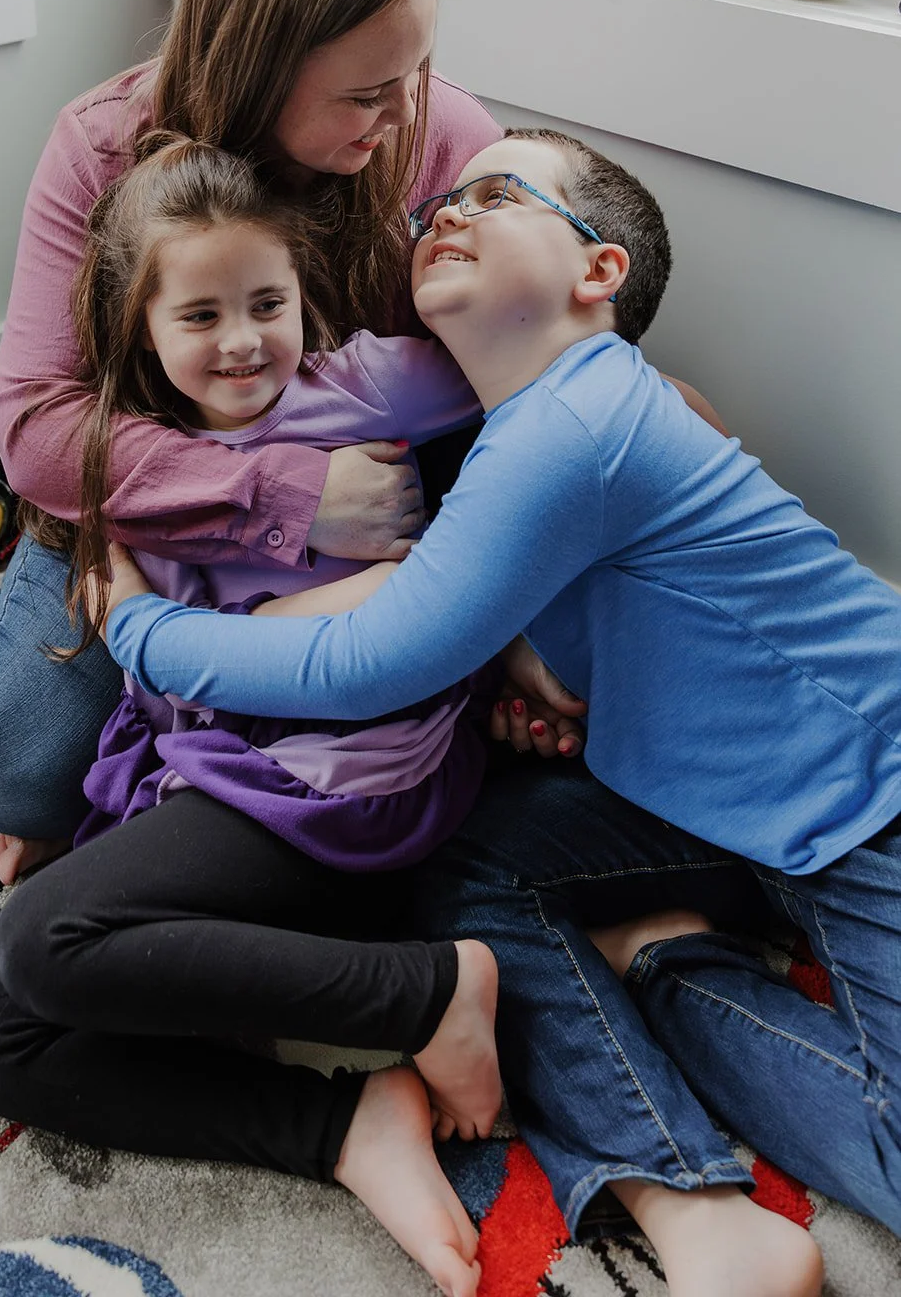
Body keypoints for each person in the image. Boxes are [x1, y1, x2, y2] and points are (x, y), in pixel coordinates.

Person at [92, 127, 901, 1294]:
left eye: (498, 192)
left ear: (597, 272)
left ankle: (672, 963)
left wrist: (139, 629)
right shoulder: (519, 434)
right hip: (724, 811)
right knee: (462, 866)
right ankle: (682, 1193)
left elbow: (371, 659)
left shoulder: (582, 414)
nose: (446, 214)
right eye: (440, 206)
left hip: (873, 789)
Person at [0, 0, 501, 881]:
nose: (405, 114)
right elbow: (38, 425)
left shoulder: (443, 137)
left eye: (418, 73)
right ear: (261, 69)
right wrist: (285, 495)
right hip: (145, 516)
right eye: (366, 92)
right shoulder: (100, 146)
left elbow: (531, 372)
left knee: (437, 732)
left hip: (361, 527)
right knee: (20, 771)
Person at [0, 132, 508, 1297]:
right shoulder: (144, 464)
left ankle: (428, 992)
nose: (245, 338)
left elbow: (531, 376)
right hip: (227, 776)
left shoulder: (356, 384)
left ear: (305, 293)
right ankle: (340, 1126)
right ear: (140, 328)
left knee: (46, 933)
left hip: (343, 781)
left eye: (268, 301)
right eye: (200, 316)